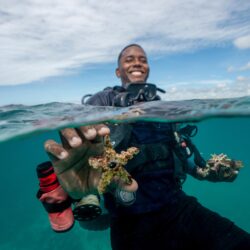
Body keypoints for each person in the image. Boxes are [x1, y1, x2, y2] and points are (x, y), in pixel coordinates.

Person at [42, 44, 250, 249]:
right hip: (129, 220)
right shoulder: (102, 101)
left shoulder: (161, 107)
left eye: (143, 59)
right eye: (129, 59)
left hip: (179, 206)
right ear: (117, 71)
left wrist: (205, 173)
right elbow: (84, 146)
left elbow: (177, 150)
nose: (137, 63)